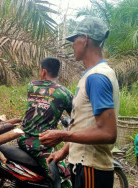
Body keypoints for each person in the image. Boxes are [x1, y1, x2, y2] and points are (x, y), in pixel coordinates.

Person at [39, 17, 119, 188]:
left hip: (91, 169)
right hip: (84, 166)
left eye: (74, 40)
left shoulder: (97, 77)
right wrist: (64, 150)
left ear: (85, 39)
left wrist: (62, 135)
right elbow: (84, 126)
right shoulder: (92, 75)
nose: (72, 45)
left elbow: (108, 133)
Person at [18, 57, 73, 188]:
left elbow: (39, 105)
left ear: (43, 72)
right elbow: (76, 115)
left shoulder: (32, 85)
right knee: (65, 181)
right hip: (39, 145)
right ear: (57, 73)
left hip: (22, 137)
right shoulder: (65, 93)